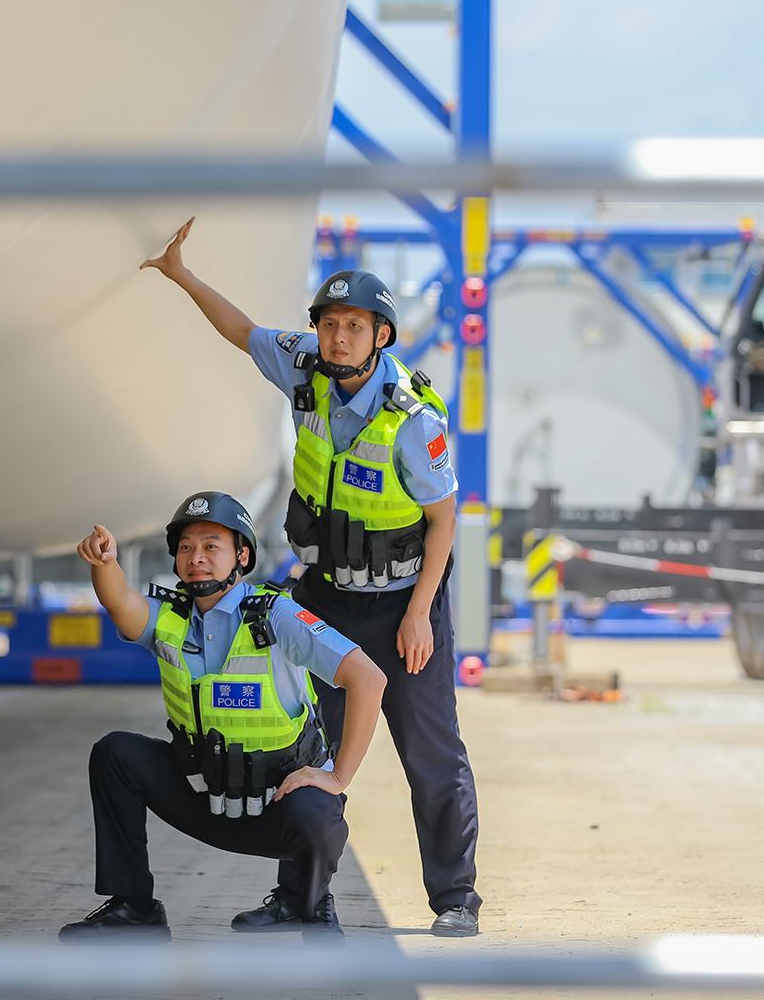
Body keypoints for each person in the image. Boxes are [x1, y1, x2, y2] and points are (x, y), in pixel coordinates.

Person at [142, 218, 484, 937]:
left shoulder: (412, 420)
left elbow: (444, 521)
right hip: (325, 594)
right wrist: (181, 275)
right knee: (302, 749)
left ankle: (456, 898)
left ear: (381, 335)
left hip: (402, 602)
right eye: (329, 324)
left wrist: (419, 613)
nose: (337, 337)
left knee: (430, 754)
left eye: (354, 326)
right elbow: (243, 331)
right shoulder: (304, 369)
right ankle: (302, 897)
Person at [58, 492, 387, 942]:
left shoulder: (277, 615)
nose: (196, 557)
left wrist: (338, 776)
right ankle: (134, 908)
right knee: (115, 753)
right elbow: (121, 604)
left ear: (242, 556)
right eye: (186, 547)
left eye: (211, 546)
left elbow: (368, 678)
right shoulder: (169, 618)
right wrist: (105, 563)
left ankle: (307, 905)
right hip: (205, 796)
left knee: (317, 809)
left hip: (278, 807)